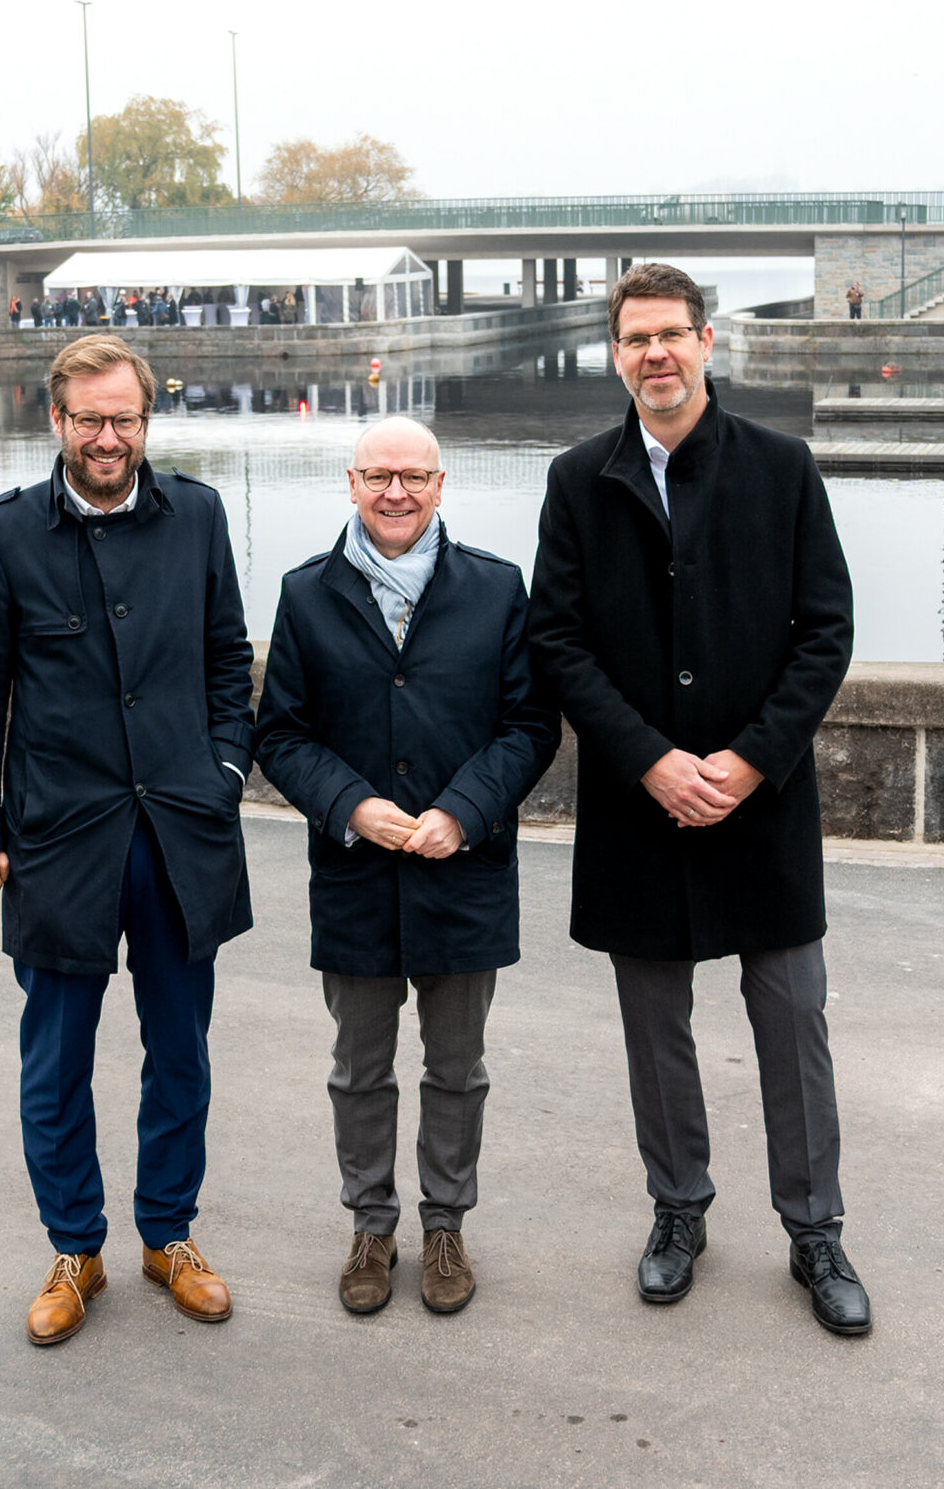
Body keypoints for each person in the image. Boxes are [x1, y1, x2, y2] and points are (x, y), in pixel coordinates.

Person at [527, 260, 870, 1337]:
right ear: (615, 353)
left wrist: (750, 758)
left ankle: (814, 1225)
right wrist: (649, 760)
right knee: (654, 1027)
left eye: (671, 334)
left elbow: (825, 631)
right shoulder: (578, 479)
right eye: (635, 339)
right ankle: (678, 1209)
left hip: (759, 801)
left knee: (792, 1017)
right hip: (640, 804)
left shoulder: (781, 467)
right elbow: (557, 640)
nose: (655, 355)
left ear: (707, 342)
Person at [0, 333, 256, 1348]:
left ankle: (168, 1235)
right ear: (56, 421)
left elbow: (226, 660)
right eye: (89, 418)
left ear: (145, 419)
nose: (108, 435)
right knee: (55, 1063)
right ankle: (75, 1246)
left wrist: (220, 772)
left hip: (179, 832)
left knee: (180, 1053)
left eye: (124, 417)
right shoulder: (2, 536)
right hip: (59, 839)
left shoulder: (198, 515)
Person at [253, 416, 558, 1318]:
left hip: (462, 873)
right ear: (351, 483)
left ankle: (445, 1224)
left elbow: (530, 726)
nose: (396, 492)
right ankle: (372, 1225)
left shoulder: (497, 590)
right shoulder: (306, 594)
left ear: (440, 485)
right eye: (379, 475)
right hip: (355, 874)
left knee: (457, 1067)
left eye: (413, 477)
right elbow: (280, 732)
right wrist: (352, 806)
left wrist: (462, 813)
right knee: (359, 1067)